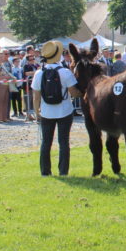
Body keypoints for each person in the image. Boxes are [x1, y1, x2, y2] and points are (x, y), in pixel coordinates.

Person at [31, 41, 81, 176]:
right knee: (64, 142)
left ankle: (45, 171)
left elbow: (36, 97)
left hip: (46, 112)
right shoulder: (65, 72)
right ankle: (63, 171)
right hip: (64, 110)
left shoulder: (39, 73)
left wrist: (37, 112)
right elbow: (74, 93)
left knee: (46, 143)